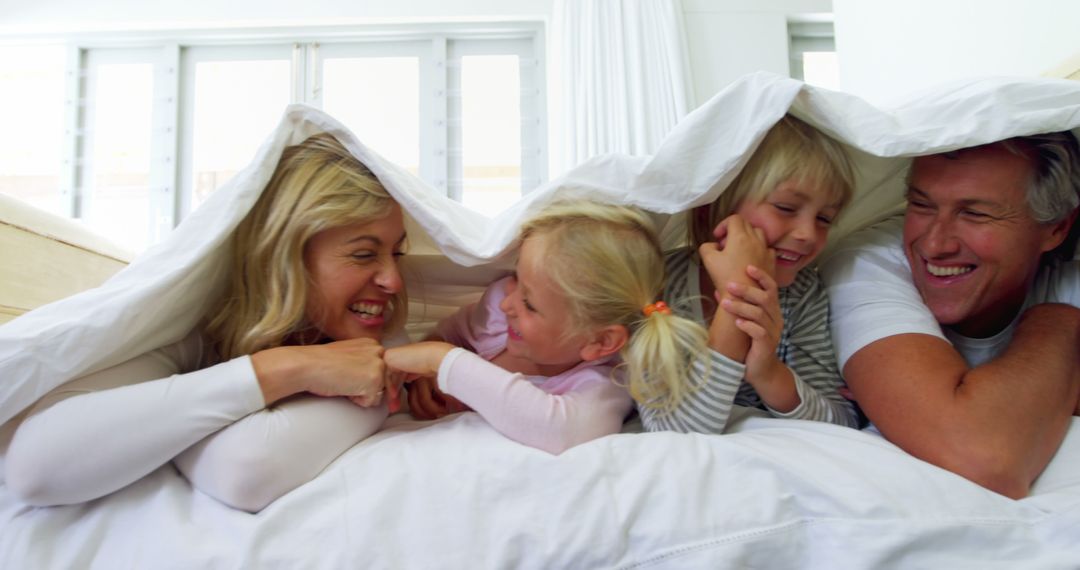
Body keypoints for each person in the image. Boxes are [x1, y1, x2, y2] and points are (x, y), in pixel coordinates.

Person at [5, 133, 408, 512]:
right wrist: (287, 368)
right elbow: (35, 468)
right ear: (286, 257)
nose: (394, 281)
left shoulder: (382, 356)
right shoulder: (197, 325)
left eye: (397, 254)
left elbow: (243, 470)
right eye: (363, 255)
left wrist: (171, 423)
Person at [820, 132, 1080, 499]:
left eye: (975, 213)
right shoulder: (869, 261)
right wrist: (1060, 324)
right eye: (921, 205)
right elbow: (982, 459)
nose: (934, 245)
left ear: (1056, 228)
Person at [385, 201, 709, 454]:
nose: (507, 304)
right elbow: (447, 333)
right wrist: (426, 377)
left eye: (529, 304)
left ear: (599, 341)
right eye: (517, 282)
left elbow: (562, 433)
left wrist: (442, 362)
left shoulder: (604, 382)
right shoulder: (497, 314)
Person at [638, 114, 860, 434]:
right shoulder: (656, 283)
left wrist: (769, 373)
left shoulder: (803, 293)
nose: (808, 234)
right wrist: (736, 295)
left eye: (825, 219)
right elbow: (676, 433)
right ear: (712, 205)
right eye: (785, 208)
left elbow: (843, 423)